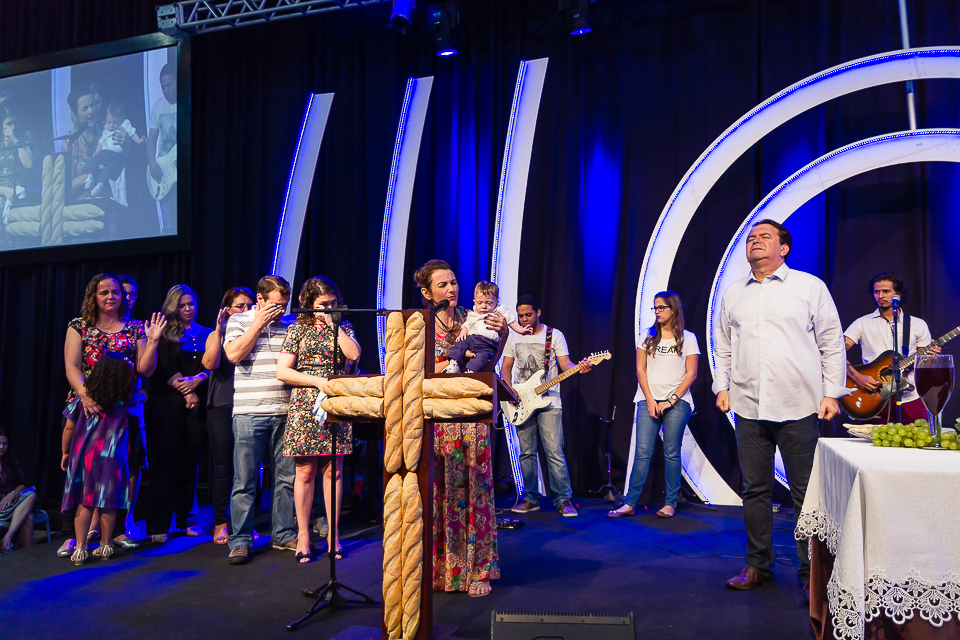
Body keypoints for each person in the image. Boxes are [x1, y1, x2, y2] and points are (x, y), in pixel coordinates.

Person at [713, 219, 846, 598]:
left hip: (799, 404)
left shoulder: (809, 286)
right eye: (751, 237)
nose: (754, 241)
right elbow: (723, 345)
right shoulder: (733, 292)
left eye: (764, 236)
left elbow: (832, 343)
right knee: (754, 490)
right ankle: (758, 566)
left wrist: (831, 393)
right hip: (748, 406)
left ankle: (811, 574)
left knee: (806, 493)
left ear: (783, 248)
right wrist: (721, 386)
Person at [414, 259, 507, 598]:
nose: (452, 289)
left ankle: (478, 569)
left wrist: (504, 333)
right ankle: (442, 569)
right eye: (443, 285)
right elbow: (415, 371)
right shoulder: (419, 324)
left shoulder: (475, 315)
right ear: (427, 292)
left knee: (476, 491)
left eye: (454, 282)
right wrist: (453, 362)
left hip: (472, 419)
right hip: (438, 421)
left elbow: (490, 360)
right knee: (442, 492)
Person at [59, 274, 164, 557]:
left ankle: (112, 533)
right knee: (83, 470)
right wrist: (85, 395)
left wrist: (152, 342)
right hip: (86, 408)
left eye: (115, 292)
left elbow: (144, 369)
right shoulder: (79, 326)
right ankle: (75, 537)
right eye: (103, 292)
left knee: (119, 472)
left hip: (122, 411)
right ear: (93, 295)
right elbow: (72, 365)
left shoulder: (134, 327)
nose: (110, 297)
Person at [277, 276, 361, 564]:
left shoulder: (343, 326)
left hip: (335, 402)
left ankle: (333, 534)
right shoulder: (296, 329)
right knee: (304, 472)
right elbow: (283, 372)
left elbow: (354, 354)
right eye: (322, 304)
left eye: (333, 303)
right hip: (305, 403)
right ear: (308, 304)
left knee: (333, 472)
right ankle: (302, 533)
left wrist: (333, 326)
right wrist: (317, 381)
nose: (328, 307)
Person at [224, 275, 297, 565]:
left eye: (284, 305)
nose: (280, 310)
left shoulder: (290, 324)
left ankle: (283, 533)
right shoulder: (240, 321)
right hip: (249, 410)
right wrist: (259, 323)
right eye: (275, 305)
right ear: (260, 300)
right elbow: (233, 355)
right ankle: (240, 540)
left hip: (286, 411)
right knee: (245, 480)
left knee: (286, 479)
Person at [608, 290, 699, 519]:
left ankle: (670, 503)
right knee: (642, 453)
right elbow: (640, 370)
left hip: (677, 402)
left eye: (662, 308)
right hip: (647, 399)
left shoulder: (688, 338)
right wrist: (650, 399)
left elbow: (691, 374)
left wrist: (671, 400)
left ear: (673, 309)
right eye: (655, 308)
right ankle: (629, 503)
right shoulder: (646, 336)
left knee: (671, 452)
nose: (657, 312)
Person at [502, 295, 594, 519]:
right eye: (521, 315)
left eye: (528, 315)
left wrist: (578, 367)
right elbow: (506, 367)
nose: (524, 319)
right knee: (526, 452)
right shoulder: (513, 336)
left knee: (554, 451)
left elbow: (566, 365)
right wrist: (508, 388)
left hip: (550, 401)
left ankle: (563, 499)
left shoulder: (555, 335)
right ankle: (531, 498)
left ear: (538, 312)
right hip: (520, 401)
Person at [61, 353, 143, 564]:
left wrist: (66, 452)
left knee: (85, 502)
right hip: (115, 458)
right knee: (109, 502)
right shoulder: (125, 400)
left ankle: (80, 548)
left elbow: (69, 426)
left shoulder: (84, 398)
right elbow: (141, 395)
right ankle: (106, 545)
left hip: (87, 457)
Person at [144, 285, 211, 543]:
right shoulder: (164, 333)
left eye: (190, 304)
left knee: (189, 462)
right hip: (166, 402)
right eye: (181, 305)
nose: (187, 309)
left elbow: (214, 364)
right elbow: (161, 365)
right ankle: (159, 523)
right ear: (173, 306)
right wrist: (186, 390)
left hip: (198, 400)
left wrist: (199, 380)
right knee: (164, 463)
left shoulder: (207, 333)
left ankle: (186, 519)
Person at [843, 273, 940, 424]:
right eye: (877, 292)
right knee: (875, 444)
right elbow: (835, 351)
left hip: (911, 395)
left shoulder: (917, 324)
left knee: (917, 440)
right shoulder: (861, 323)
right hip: (875, 395)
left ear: (898, 294)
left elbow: (923, 366)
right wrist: (857, 377)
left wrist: (932, 358)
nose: (880, 296)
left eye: (886, 291)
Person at [202, 287, 255, 545]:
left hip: (249, 404)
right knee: (223, 466)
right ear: (227, 309)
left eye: (249, 305)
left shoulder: (256, 332)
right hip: (222, 404)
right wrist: (219, 329)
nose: (245, 310)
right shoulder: (218, 333)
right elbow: (210, 363)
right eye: (239, 306)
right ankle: (221, 522)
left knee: (247, 467)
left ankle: (244, 522)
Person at [440, 280, 530, 373]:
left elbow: (511, 321)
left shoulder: (499, 312)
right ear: (475, 302)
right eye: (480, 303)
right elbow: (467, 324)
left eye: (489, 303)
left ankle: (471, 373)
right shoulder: (473, 314)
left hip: (487, 343)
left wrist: (521, 330)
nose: (484, 306)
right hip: (472, 339)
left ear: (496, 302)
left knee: (482, 357)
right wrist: (463, 332)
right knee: (460, 343)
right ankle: (453, 364)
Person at [89, 102, 145, 199]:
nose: (111, 125)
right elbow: (102, 139)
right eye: (109, 122)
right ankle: (90, 176)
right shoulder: (106, 128)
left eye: (115, 122)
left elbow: (132, 133)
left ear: (120, 119)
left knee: (109, 170)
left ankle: (100, 184)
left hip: (115, 157)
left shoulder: (124, 125)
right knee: (96, 158)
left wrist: (139, 141)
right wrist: (98, 147)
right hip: (104, 154)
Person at [147, 63, 177, 234]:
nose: (166, 90)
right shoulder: (158, 107)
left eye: (170, 85)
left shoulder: (186, 101)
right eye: (163, 86)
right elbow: (151, 139)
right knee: (170, 226)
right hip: (165, 172)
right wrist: (152, 163)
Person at [0, 427, 37, 552]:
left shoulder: (11, 461)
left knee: (31, 493)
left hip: (14, 503)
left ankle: (7, 538)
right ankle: (24, 552)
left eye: (4, 444)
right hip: (1, 508)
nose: (1, 447)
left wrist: (13, 493)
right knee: (29, 517)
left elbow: (27, 485)